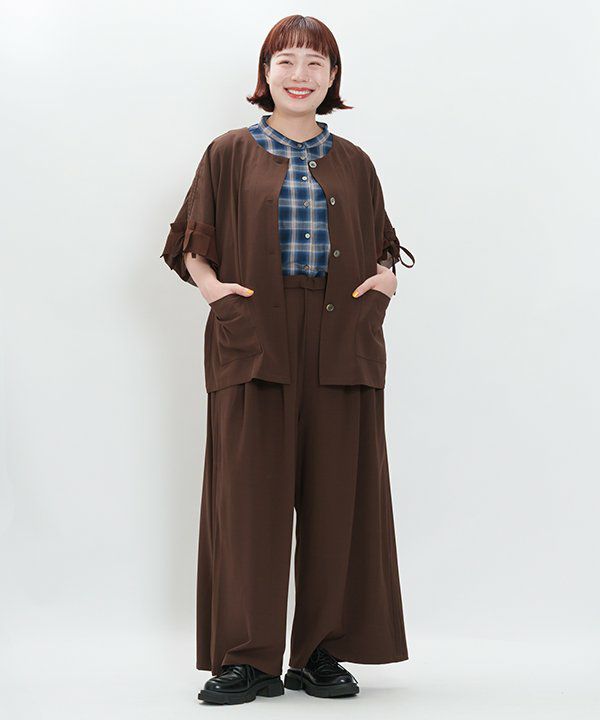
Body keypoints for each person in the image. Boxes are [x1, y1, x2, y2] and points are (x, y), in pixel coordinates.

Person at [160, 14, 415, 705]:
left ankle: (319, 652)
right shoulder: (228, 153)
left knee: (339, 497)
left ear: (332, 78)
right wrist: (214, 291)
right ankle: (247, 658)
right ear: (265, 73)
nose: (300, 75)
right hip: (254, 330)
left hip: (341, 336)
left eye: (315, 63)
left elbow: (383, 243)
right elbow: (191, 241)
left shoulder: (354, 161)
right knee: (249, 498)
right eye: (287, 61)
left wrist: (385, 280)